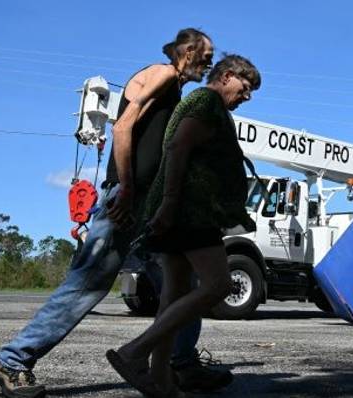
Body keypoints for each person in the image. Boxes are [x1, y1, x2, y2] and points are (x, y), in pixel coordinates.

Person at [0, 28, 229, 398]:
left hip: (146, 206)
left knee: (181, 287)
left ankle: (182, 365)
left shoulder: (174, 88)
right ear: (188, 50)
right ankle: (13, 361)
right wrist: (127, 189)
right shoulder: (162, 75)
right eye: (207, 53)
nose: (211, 60)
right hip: (128, 201)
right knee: (89, 282)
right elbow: (123, 127)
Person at [107, 54, 260, 397]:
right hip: (191, 209)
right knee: (218, 285)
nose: (247, 96)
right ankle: (135, 352)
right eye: (245, 87)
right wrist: (171, 203)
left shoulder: (204, 104)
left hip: (180, 209)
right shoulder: (206, 100)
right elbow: (178, 147)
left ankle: (162, 381)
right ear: (227, 76)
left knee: (173, 294)